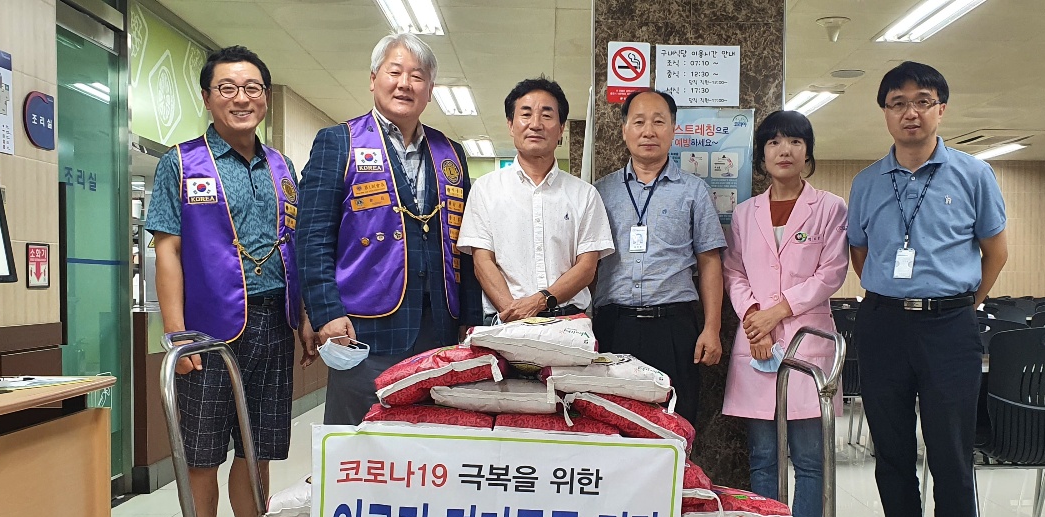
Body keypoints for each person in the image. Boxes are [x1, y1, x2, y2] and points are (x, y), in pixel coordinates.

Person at [148, 46, 316, 517]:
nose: (241, 98)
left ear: (264, 97)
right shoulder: (182, 163)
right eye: (227, 88)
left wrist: (304, 316)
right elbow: (168, 251)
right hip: (207, 332)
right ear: (207, 97)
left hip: (274, 321)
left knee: (258, 446)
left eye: (252, 88)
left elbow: (294, 247)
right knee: (202, 452)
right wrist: (177, 335)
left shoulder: (281, 168)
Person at [848, 61, 1008, 517]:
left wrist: (964, 304)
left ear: (941, 108)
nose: (910, 112)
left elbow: (996, 252)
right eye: (897, 103)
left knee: (951, 453)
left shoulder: (973, 174)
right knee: (891, 454)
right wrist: (895, 296)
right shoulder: (867, 182)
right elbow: (860, 254)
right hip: (884, 325)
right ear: (885, 113)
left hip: (950, 326)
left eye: (922, 101)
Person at [297, 32, 483, 425]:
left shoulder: (450, 152)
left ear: (429, 90)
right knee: (360, 440)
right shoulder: (339, 142)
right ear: (373, 79)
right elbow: (312, 238)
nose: (404, 84)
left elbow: (464, 244)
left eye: (417, 76)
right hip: (364, 325)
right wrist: (325, 313)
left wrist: (470, 317)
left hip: (439, 328)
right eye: (394, 72)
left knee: (429, 439)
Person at [720, 110, 848, 517]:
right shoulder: (745, 213)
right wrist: (754, 317)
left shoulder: (829, 207)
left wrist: (776, 312)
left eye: (794, 141)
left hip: (806, 343)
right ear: (761, 156)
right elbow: (734, 271)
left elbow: (831, 273)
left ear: (807, 152)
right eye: (774, 143)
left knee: (810, 459)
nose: (784, 150)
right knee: (763, 456)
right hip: (757, 342)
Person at [593, 89, 727, 424]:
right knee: (611, 425)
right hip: (614, 327)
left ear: (673, 129)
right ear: (624, 130)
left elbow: (710, 261)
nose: (648, 131)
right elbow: (587, 263)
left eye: (658, 122)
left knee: (675, 423)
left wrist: (712, 328)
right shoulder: (600, 192)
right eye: (639, 122)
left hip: (673, 328)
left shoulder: (694, 190)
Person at [458, 78, 613, 322]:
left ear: (561, 128)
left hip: (568, 323)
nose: (536, 124)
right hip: (505, 321)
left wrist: (540, 301)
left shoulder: (585, 194)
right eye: (526, 114)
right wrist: (513, 312)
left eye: (547, 115)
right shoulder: (485, 189)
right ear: (511, 125)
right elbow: (482, 260)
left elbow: (587, 267)